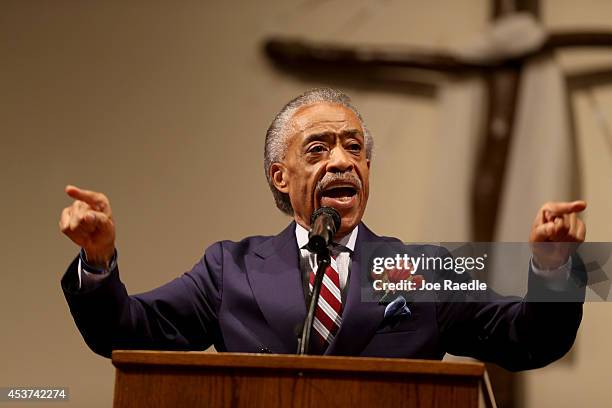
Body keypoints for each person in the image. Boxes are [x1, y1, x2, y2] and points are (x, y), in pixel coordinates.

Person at [59, 88, 586, 370]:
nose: (342, 161)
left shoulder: (422, 269)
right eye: (318, 148)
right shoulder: (230, 269)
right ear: (280, 177)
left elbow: (529, 341)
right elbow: (122, 333)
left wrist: (553, 268)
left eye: (354, 148)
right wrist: (99, 261)